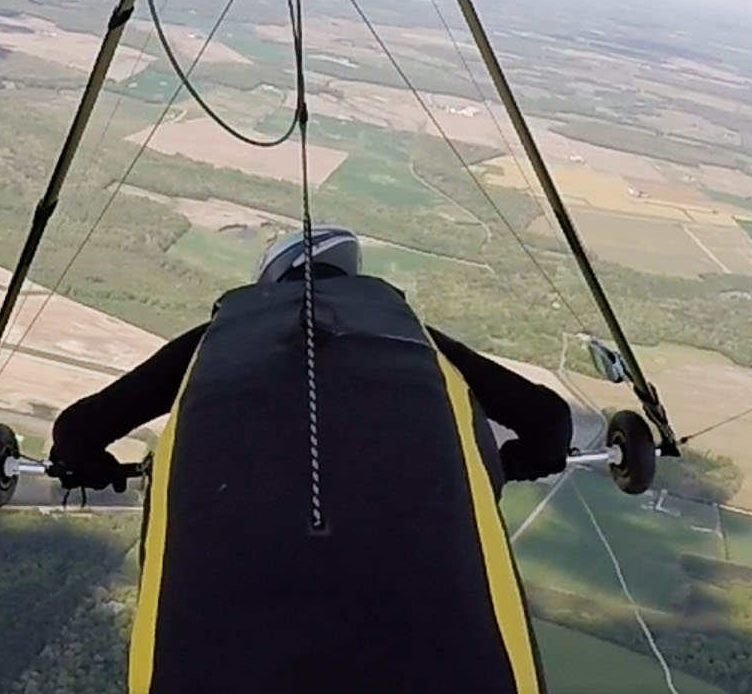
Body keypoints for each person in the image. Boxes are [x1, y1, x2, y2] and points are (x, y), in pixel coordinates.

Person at [47, 224, 574, 694]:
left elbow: (75, 432)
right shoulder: (412, 337)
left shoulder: (218, 339)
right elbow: (549, 421)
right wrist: (516, 461)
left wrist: (89, 466)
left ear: (268, 283)